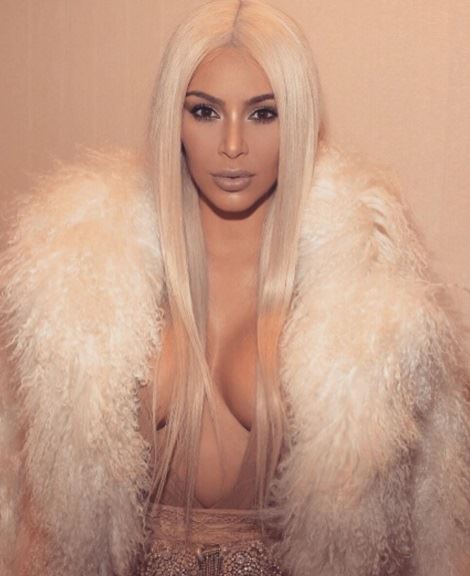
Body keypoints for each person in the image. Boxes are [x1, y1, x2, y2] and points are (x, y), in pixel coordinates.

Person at [0, 0, 469, 575]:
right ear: (172, 119)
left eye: (264, 114)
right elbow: (40, 521)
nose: (231, 145)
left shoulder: (371, 302)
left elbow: (424, 528)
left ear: (299, 120)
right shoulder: (75, 283)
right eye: (204, 111)